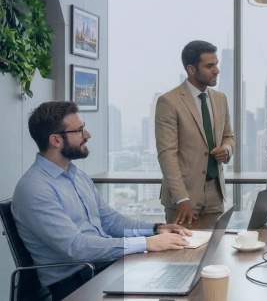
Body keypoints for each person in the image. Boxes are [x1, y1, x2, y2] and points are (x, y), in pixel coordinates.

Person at [12, 101, 192, 301]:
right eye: (79, 130)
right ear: (55, 140)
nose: (87, 135)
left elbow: (111, 221)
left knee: (180, 282)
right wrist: (146, 243)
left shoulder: (77, 175)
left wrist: (156, 229)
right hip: (76, 283)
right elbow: (76, 247)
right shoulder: (35, 189)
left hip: (105, 268)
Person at [155, 40, 235, 224]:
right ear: (191, 69)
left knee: (215, 250)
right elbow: (167, 154)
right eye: (209, 66)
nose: (216, 70)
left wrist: (226, 150)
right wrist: (181, 198)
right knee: (182, 251)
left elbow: (228, 136)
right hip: (184, 196)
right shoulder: (169, 102)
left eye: (216, 64)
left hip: (216, 192)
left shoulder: (220, 99)